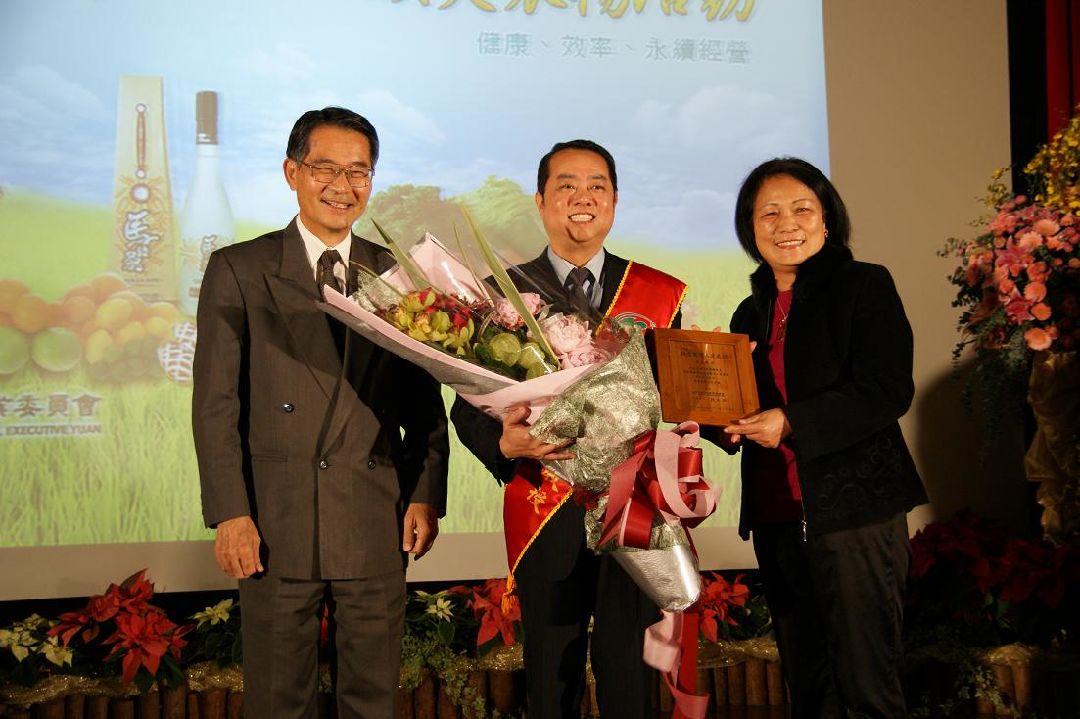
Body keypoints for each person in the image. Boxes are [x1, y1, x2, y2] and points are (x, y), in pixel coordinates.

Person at [192, 106, 450, 718]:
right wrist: (231, 512)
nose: (343, 185)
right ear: (292, 172)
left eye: (359, 171)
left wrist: (425, 494)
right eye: (325, 168)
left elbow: (425, 405)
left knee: (372, 701)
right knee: (279, 700)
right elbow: (215, 404)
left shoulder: (397, 276)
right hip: (276, 522)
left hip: (374, 517)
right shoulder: (242, 269)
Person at [451, 139, 686, 719]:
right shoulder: (500, 291)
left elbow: (680, 398)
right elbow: (465, 406)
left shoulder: (657, 293)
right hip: (544, 501)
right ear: (540, 200)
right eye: (566, 185)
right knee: (550, 675)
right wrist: (500, 443)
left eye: (597, 186)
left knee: (629, 672)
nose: (583, 198)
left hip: (634, 507)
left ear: (615, 201)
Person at [715, 157, 927, 718]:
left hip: (854, 511)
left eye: (802, 209)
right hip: (777, 515)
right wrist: (713, 419)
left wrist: (791, 421)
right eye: (769, 214)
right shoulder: (747, 313)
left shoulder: (864, 285)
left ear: (827, 218)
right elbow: (737, 413)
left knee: (866, 684)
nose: (787, 224)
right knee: (808, 685)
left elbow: (886, 390)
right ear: (750, 230)